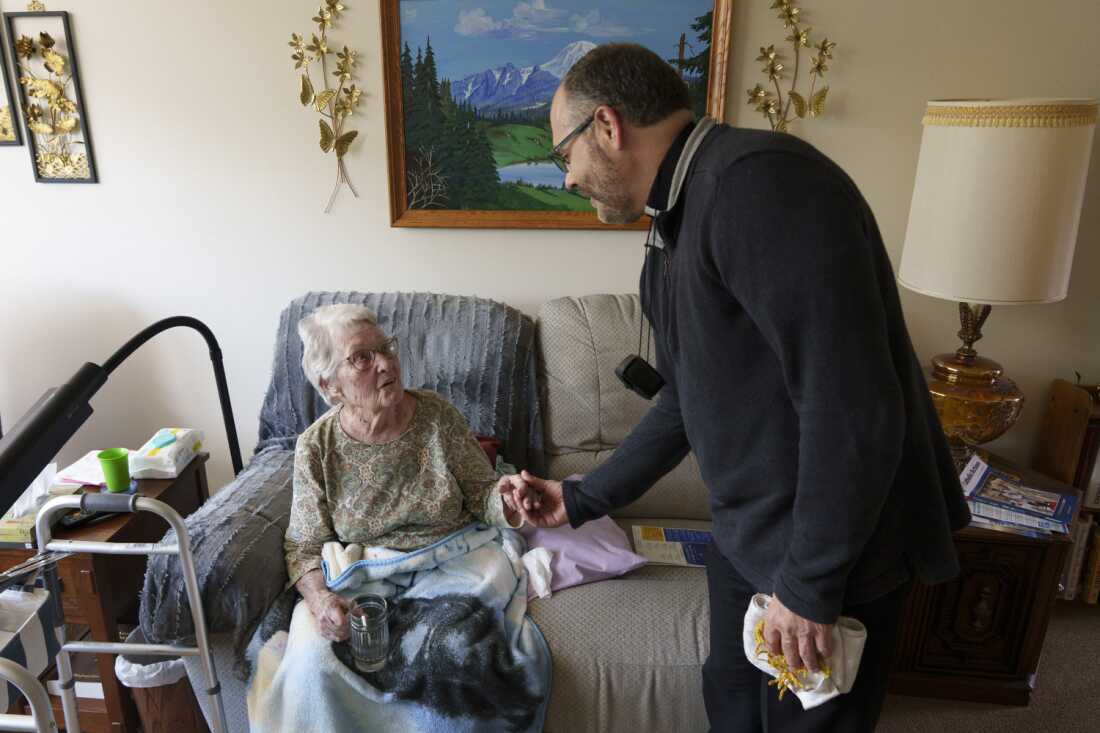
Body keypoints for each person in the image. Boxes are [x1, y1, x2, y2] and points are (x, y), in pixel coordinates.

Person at [513, 43, 971, 732]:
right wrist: (581, 497)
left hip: (825, 556)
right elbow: (685, 400)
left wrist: (811, 585)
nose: (569, 176)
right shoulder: (675, 222)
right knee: (732, 712)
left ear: (607, 127)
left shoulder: (761, 185)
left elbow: (854, 406)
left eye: (565, 154)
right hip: (745, 541)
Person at [284, 303, 527, 642]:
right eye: (362, 357)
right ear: (330, 386)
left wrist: (510, 498)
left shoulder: (437, 415)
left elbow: (481, 494)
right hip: (370, 575)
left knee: (451, 640)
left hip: (455, 559)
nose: (385, 363)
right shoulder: (316, 446)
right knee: (316, 657)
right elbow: (304, 545)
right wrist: (321, 600)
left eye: (385, 348)